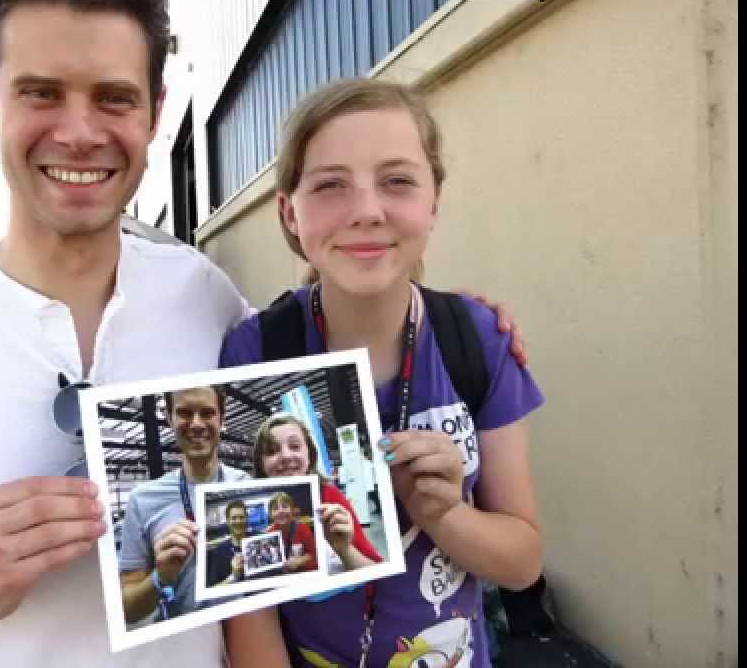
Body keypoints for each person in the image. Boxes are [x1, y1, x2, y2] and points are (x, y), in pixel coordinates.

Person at [0, 0, 527, 666]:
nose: (79, 131)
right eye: (40, 92)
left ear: (155, 112)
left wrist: (460, 318)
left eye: (113, 97)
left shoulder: (206, 297)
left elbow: (333, 342)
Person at [218, 78, 544, 668]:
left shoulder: (475, 338)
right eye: (330, 185)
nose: (367, 211)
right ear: (290, 212)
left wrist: (446, 515)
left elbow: (523, 564)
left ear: (433, 200)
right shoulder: (257, 351)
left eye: (396, 181)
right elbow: (247, 598)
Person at [119, 386, 248, 622]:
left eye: (207, 413)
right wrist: (161, 577)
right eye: (185, 413)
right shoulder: (143, 500)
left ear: (222, 419)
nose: (197, 424)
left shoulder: (245, 484)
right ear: (170, 418)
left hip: (249, 626)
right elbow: (126, 609)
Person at [251, 412, 383, 573]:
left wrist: (345, 550)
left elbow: (376, 572)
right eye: (272, 451)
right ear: (261, 463)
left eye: (294, 446)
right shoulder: (268, 533)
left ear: (309, 455)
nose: (285, 456)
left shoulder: (329, 496)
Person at [262, 492, 317, 574]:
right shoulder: (269, 534)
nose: (280, 511)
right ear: (270, 514)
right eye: (275, 508)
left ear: (292, 510)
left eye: (284, 506)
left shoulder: (303, 529)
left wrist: (301, 561)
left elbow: (315, 555)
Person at [205, 500, 251, 587]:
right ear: (227, 521)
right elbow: (212, 590)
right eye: (234, 518)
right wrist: (233, 577)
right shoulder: (219, 552)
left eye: (241, 517)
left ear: (247, 518)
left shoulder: (259, 539)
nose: (238, 521)